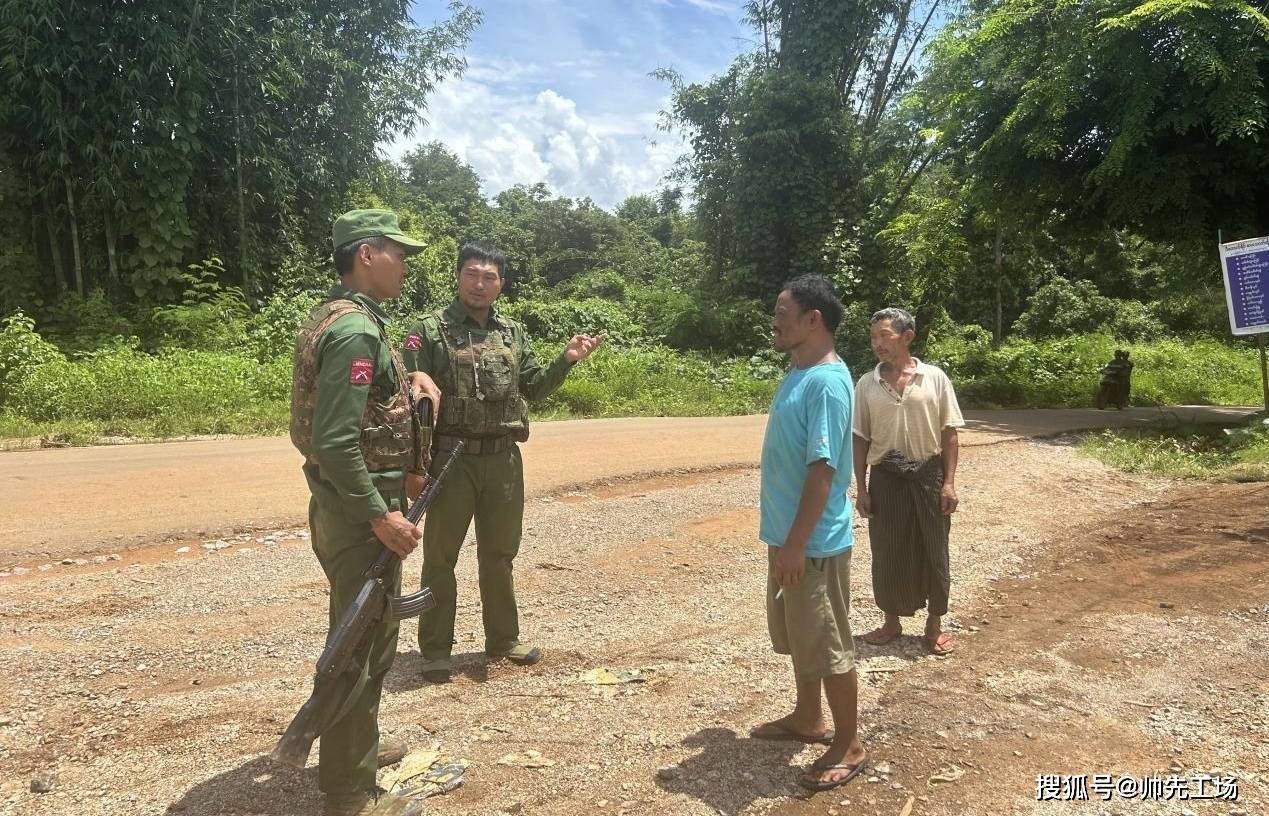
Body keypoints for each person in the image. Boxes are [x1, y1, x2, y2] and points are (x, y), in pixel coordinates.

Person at [289, 209, 444, 816]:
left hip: (356, 503)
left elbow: (363, 411)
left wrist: (411, 390)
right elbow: (334, 439)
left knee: (370, 636)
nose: (406, 263)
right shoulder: (355, 331)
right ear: (366, 256)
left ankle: (356, 749)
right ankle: (348, 792)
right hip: (361, 512)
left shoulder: (346, 320)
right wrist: (382, 516)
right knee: (358, 643)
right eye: (397, 252)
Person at [402, 241, 605, 683]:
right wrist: (415, 467)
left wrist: (566, 361)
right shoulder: (427, 330)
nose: (480, 283)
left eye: (489, 277)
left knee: (499, 555)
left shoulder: (513, 332)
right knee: (440, 558)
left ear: (502, 285)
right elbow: (409, 400)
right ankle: (436, 649)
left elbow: (531, 387)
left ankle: (503, 639)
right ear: (457, 277)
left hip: (503, 461)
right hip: (451, 459)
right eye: (472, 274)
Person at [748, 274, 868, 792]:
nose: (774, 319)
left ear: (812, 319)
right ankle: (807, 718)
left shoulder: (826, 381)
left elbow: (823, 472)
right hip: (790, 537)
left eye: (782, 310)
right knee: (802, 636)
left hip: (813, 543)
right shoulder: (798, 370)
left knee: (827, 641)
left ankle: (850, 743)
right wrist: (783, 539)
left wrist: (796, 543)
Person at [854, 307, 964, 657]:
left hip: (928, 476)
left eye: (884, 335)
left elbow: (949, 434)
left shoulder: (934, 378)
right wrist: (861, 487)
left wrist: (949, 483)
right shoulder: (867, 384)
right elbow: (859, 438)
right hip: (886, 478)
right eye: (873, 337)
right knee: (887, 551)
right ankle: (891, 622)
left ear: (907, 336)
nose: (877, 344)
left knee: (934, 548)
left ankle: (934, 625)